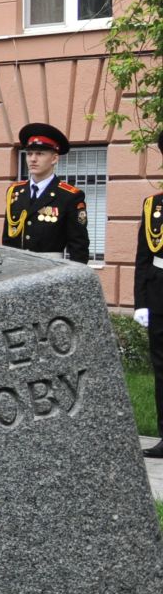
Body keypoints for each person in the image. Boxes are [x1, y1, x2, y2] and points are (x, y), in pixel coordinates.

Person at [2, 123, 90, 262]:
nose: (33, 159)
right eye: (29, 154)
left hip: (50, 271)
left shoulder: (69, 196)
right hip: (16, 270)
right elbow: (7, 240)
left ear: (54, 159)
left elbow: (79, 247)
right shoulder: (15, 191)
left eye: (40, 154)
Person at [133, 166, 163, 458]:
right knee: (162, 369)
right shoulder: (153, 205)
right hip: (159, 294)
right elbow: (143, 256)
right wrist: (140, 301)